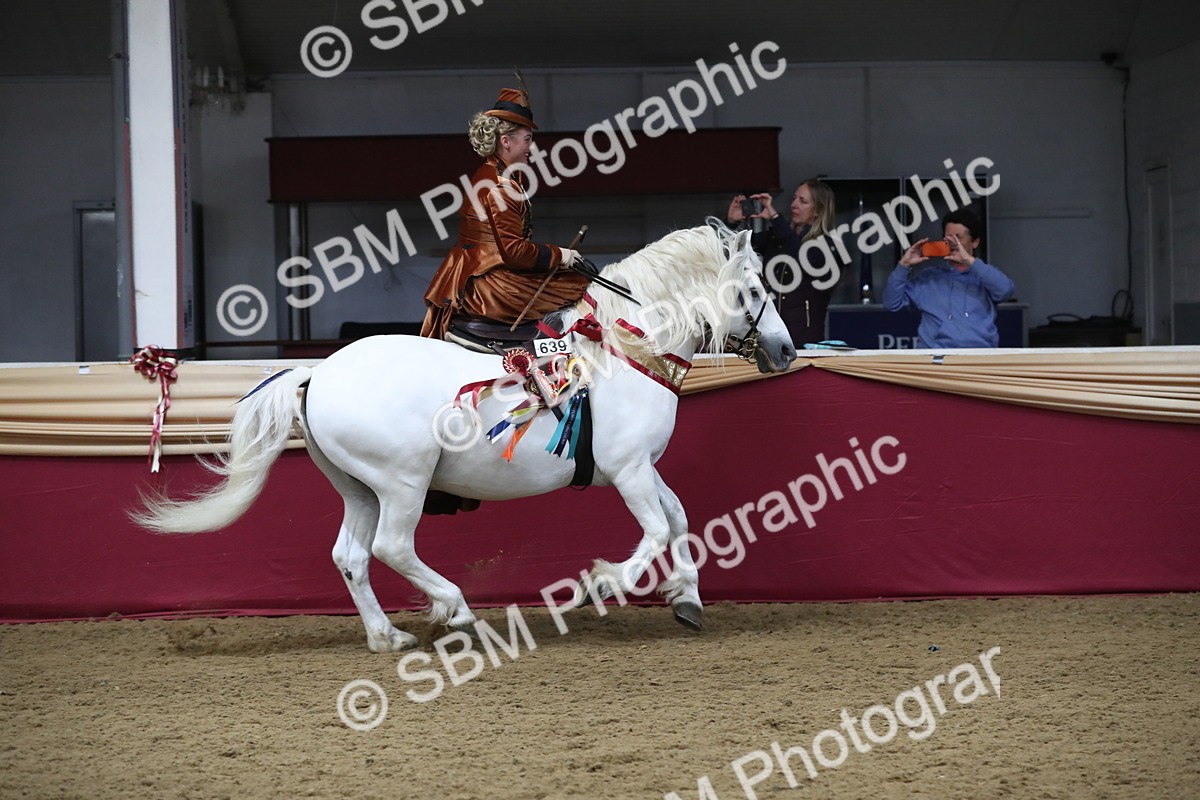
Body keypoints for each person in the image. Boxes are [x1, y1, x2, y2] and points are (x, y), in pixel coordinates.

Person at [420, 87, 585, 340]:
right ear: (506, 141)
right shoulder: (500, 186)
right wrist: (559, 254)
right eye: (528, 139)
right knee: (580, 285)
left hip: (479, 271)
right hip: (490, 284)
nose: (532, 147)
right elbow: (515, 253)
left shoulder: (493, 173)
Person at [727, 179, 840, 345]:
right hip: (770, 337)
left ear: (818, 210)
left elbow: (801, 256)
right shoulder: (777, 237)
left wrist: (775, 217)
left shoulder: (828, 245)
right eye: (794, 198)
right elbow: (733, 249)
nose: (794, 204)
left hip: (804, 341)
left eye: (803, 201)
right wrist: (731, 222)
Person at [882, 208, 1015, 349]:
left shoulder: (985, 275)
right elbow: (891, 304)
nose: (953, 242)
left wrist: (971, 261)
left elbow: (1005, 291)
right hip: (934, 359)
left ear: (975, 242)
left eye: (959, 237)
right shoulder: (929, 277)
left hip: (978, 358)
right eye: (948, 237)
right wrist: (904, 265)